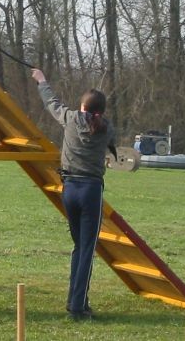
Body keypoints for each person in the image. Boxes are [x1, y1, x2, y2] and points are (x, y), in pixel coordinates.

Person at [31, 68, 116, 321]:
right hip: (90, 190)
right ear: (101, 110)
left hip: (69, 190)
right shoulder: (106, 128)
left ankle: (77, 301)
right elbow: (104, 133)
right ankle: (77, 308)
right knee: (87, 250)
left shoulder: (69, 119)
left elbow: (51, 102)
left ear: (81, 106)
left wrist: (42, 81)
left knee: (79, 247)